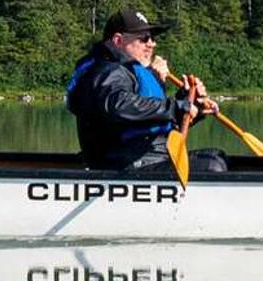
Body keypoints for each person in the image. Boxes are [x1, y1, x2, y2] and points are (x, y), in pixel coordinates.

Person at [64, 9, 223, 173]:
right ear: (118, 40)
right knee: (213, 166)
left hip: (146, 157)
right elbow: (119, 105)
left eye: (152, 38)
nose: (152, 44)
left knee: (216, 157)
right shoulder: (107, 71)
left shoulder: (126, 72)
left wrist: (192, 106)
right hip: (125, 163)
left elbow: (149, 120)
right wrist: (175, 107)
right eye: (144, 38)